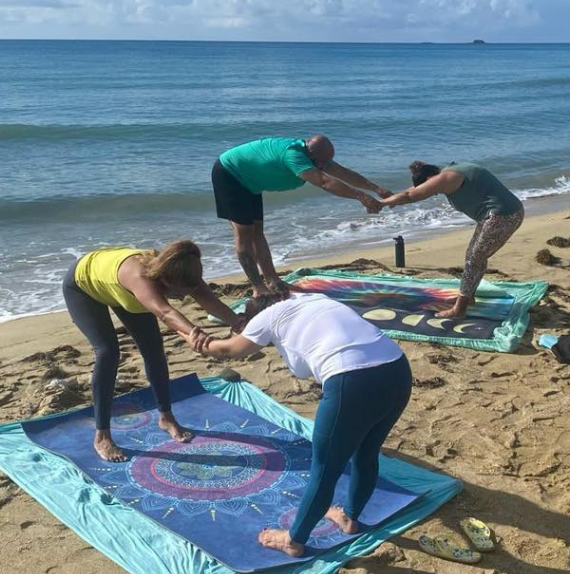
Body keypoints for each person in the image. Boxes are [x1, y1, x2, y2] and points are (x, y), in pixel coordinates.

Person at [192, 292, 412, 556]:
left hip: (351, 381)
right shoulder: (311, 298)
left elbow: (228, 350)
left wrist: (199, 342)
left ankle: (293, 540)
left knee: (324, 469)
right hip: (397, 370)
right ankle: (350, 518)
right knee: (366, 452)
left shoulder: (267, 317)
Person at [63, 240, 246, 462]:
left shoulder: (183, 270)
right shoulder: (142, 279)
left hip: (121, 290)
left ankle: (166, 417)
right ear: (165, 281)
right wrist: (194, 332)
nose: (182, 299)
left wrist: (239, 324)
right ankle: (102, 436)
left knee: (153, 350)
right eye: (178, 294)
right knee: (108, 352)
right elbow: (165, 312)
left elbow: (212, 303)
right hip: (84, 286)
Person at [211, 135, 391, 300]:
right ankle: (258, 288)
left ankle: (273, 280)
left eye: (326, 162)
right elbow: (325, 182)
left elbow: (341, 172)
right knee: (244, 233)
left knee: (257, 231)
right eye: (321, 162)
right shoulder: (294, 156)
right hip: (230, 174)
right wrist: (361, 197)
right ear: (310, 153)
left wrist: (376, 188)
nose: (324, 166)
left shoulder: (315, 157)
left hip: (250, 181)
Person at [379, 161, 524, 319]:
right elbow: (412, 191)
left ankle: (459, 310)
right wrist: (391, 199)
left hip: (503, 216)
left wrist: (380, 204)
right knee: (473, 257)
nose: (434, 193)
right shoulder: (451, 171)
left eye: (433, 190)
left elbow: (409, 196)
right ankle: (467, 298)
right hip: (496, 215)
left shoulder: (446, 177)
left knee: (474, 259)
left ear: (429, 179)